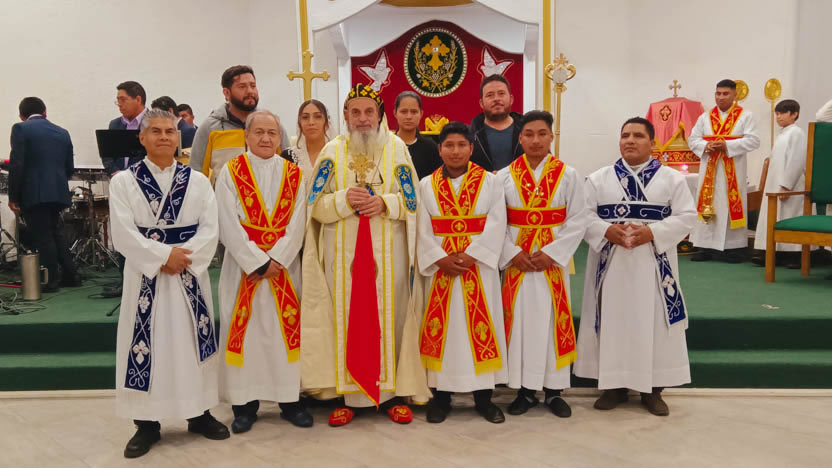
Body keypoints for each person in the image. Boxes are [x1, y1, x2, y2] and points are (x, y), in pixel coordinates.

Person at [302, 83, 428, 427]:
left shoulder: (397, 149)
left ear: (379, 114)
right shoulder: (331, 152)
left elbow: (413, 201)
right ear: (345, 116)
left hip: (389, 256)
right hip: (342, 257)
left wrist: (385, 203)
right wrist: (343, 200)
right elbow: (314, 207)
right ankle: (349, 397)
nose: (362, 118)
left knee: (391, 317)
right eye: (355, 112)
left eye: (368, 111)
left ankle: (391, 395)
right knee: (346, 318)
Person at [109, 110, 228, 458]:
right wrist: (163, 256)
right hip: (146, 278)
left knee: (192, 342)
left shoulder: (198, 181)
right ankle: (146, 423)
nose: (164, 137)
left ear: (178, 138)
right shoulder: (123, 182)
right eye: (156, 131)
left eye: (170, 132)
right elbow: (123, 234)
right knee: (148, 346)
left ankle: (199, 413)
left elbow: (211, 228)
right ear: (142, 137)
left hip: (189, 275)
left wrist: (182, 258)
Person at [574, 117, 696, 416]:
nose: (630, 140)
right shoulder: (599, 178)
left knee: (653, 321)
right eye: (625, 135)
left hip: (653, 264)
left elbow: (686, 216)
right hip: (610, 263)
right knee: (613, 319)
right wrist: (606, 230)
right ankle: (613, 386)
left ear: (652, 143)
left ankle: (652, 390)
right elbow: (582, 215)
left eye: (638, 135)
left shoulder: (672, 179)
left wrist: (653, 232)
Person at [216, 110, 313, 433]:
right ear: (246, 135)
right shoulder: (231, 172)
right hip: (244, 269)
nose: (266, 138)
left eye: (272, 132)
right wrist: (257, 261)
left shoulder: (294, 174)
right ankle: (245, 405)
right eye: (259, 132)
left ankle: (290, 401)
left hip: (284, 270)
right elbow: (226, 222)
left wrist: (278, 259)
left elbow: (299, 221)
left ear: (280, 137)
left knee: (285, 336)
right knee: (247, 337)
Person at [417, 121, 508, 424]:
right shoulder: (426, 185)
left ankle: (484, 399)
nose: (455, 151)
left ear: (471, 148)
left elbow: (497, 223)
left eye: (461, 145)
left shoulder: (491, 182)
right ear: (439, 149)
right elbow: (421, 228)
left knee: (479, 333)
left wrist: (472, 255)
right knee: (444, 334)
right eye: (448, 145)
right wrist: (439, 258)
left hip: (478, 270)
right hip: (441, 272)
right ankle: (441, 399)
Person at [497, 110, 586, 418]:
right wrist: (511, 253)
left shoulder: (569, 175)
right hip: (518, 265)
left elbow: (578, 219)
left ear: (551, 137)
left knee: (551, 324)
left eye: (542, 134)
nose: (535, 140)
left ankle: (554, 391)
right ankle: (524, 390)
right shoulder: (503, 177)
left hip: (551, 265)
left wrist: (553, 253)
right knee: (520, 323)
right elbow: (495, 222)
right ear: (520, 138)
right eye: (529, 134)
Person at [8, 97, 81, 292]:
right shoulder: (62, 132)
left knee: (42, 236)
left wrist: (13, 197)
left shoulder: (20, 129)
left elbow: (17, 165)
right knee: (55, 233)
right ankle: (71, 275)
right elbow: (69, 167)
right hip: (58, 191)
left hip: (34, 192)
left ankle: (52, 279)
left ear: (21, 115)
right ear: (45, 112)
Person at [688, 79, 760, 263]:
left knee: (729, 205)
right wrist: (706, 145)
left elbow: (753, 140)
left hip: (733, 171)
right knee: (708, 204)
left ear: (735, 95)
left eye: (725, 93)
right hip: (709, 171)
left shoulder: (745, 116)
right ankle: (704, 247)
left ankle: (733, 249)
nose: (721, 97)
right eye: (718, 93)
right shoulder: (705, 117)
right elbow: (693, 139)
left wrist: (727, 145)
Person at [189, 65, 290, 183]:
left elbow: (288, 168)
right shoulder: (210, 127)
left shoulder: (272, 125)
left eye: (253, 85)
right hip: (224, 194)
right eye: (242, 87)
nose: (250, 91)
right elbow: (196, 175)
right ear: (226, 93)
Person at [752, 100, 807, 267]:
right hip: (775, 183)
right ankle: (773, 253)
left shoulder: (797, 133)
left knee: (790, 217)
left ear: (795, 114)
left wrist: (786, 185)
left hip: (790, 186)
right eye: (777, 113)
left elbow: (796, 160)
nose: (778, 116)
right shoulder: (783, 134)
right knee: (774, 218)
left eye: (783, 113)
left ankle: (794, 256)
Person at [470, 74, 523, 172]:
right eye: (490, 95)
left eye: (501, 93)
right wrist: (487, 177)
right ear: (481, 103)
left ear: (511, 99)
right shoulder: (470, 136)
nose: (496, 99)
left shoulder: (527, 131)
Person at [393, 91, 442, 179]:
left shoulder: (430, 148)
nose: (409, 116)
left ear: (421, 114)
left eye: (414, 112)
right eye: (403, 112)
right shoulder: (386, 145)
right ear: (395, 113)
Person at [281, 99, 330, 180]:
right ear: (300, 124)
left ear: (327, 124)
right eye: (305, 117)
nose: (311, 122)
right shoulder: (288, 156)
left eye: (317, 117)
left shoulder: (336, 154)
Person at [107, 80, 149, 174]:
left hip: (145, 178)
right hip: (119, 179)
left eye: (123, 100)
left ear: (138, 100)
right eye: (118, 101)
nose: (119, 104)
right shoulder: (115, 124)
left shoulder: (155, 123)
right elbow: (107, 155)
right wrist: (115, 173)